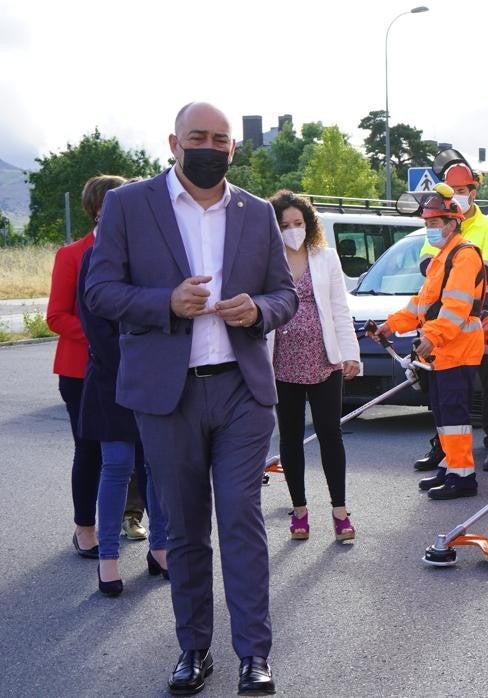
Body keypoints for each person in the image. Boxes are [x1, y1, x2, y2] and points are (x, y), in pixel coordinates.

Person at [85, 101, 297, 696]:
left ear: (234, 148)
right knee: (183, 529)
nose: (210, 147)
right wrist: (164, 303)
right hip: (166, 395)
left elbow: (286, 295)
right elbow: (99, 289)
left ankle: (255, 654)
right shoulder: (130, 205)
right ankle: (193, 648)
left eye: (221, 139)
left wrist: (258, 309)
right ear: (174, 143)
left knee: (241, 520)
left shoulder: (257, 214)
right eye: (198, 137)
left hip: (241, 390)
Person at [376, 183, 486, 500]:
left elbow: (455, 308)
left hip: (457, 349)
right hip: (443, 351)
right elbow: (421, 306)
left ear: (453, 223)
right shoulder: (443, 258)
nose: (429, 230)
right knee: (443, 414)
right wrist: (390, 325)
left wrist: (432, 337)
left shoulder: (463, 257)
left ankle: (463, 478)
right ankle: (451, 469)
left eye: (434, 224)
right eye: (427, 224)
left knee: (454, 416)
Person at [77, 237, 169, 595]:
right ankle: (109, 558)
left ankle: (160, 548)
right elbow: (94, 323)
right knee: (116, 465)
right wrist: (133, 365)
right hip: (110, 379)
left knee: (156, 467)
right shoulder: (95, 257)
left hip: (154, 379)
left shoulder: (151, 250)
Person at [267, 191, 361, 542]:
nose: (293, 230)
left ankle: (340, 511)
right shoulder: (266, 259)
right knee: (290, 438)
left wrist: (351, 353)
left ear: (309, 224)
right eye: (285, 225)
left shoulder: (326, 257)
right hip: (281, 361)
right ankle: (300, 511)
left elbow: (340, 307)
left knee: (329, 433)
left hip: (324, 359)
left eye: (298, 223)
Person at [412, 150, 488, 473]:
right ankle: (444, 454)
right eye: (454, 192)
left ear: (474, 192)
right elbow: (427, 264)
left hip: (481, 313)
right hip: (445, 317)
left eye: (464, 191)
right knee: (441, 392)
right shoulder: (441, 224)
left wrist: (456, 265)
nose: (460, 196)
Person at [49, 176, 124, 559]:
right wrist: (103, 338)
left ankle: (130, 517)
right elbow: (56, 317)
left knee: (133, 449)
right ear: (97, 208)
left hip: (128, 370)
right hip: (81, 372)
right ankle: (85, 527)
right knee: (91, 450)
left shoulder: (135, 251)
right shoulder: (72, 254)